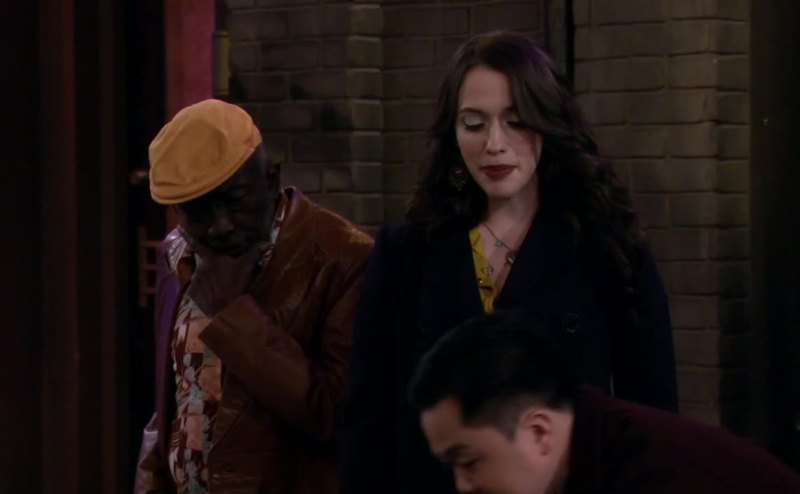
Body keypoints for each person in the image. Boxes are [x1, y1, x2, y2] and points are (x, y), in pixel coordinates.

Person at [340, 31, 677, 492]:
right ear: (453, 132)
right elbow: (367, 422)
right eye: (474, 124)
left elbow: (652, 420)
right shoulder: (407, 252)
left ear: (548, 124)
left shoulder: (606, 246)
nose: (494, 144)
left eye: (516, 121)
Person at [133, 99, 373, 494]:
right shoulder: (177, 252)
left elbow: (339, 414)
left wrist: (234, 315)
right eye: (198, 211)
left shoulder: (342, 257)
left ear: (270, 178)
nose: (221, 226)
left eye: (236, 201)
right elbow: (175, 402)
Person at [409, 312, 800, 494]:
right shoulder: (582, 454)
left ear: (538, 431)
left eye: (469, 462)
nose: (463, 486)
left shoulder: (665, 476)